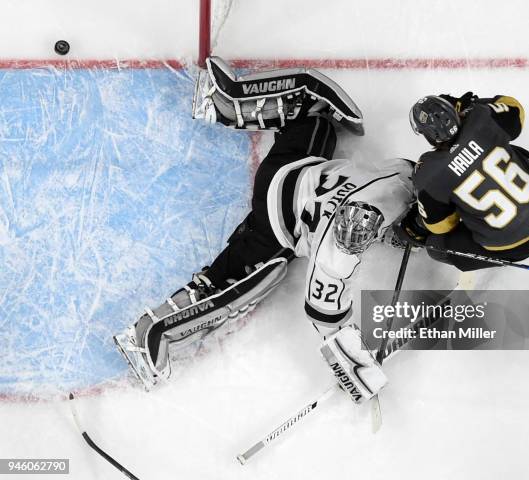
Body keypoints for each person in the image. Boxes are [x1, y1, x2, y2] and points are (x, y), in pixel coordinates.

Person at [114, 57, 416, 404]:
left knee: (317, 118)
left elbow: (413, 171)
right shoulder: (340, 251)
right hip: (275, 226)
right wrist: (357, 369)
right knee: (246, 282)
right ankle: (153, 334)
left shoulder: (397, 182)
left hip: (291, 168)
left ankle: (226, 101)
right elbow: (322, 311)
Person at [401, 92, 529, 271]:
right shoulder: (482, 119)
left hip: (515, 248)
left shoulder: (429, 173)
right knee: (502, 142)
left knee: (435, 245)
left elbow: (440, 226)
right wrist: (474, 105)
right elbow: (515, 108)